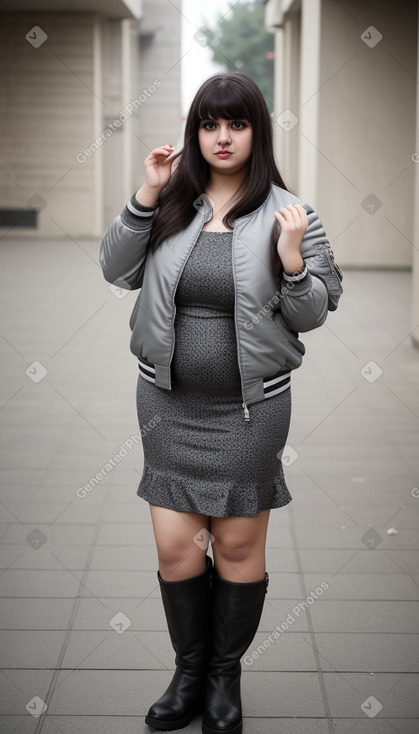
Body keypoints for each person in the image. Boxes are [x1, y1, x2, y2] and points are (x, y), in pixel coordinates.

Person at [99, 71, 343, 734]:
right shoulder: (171, 203)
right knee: (177, 548)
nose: (222, 136)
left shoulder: (292, 213)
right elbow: (114, 268)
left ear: (255, 132)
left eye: (236, 123)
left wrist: (292, 262)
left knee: (236, 546)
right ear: (195, 133)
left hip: (249, 413)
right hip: (166, 405)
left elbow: (315, 312)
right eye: (209, 124)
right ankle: (187, 674)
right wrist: (145, 196)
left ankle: (223, 678)